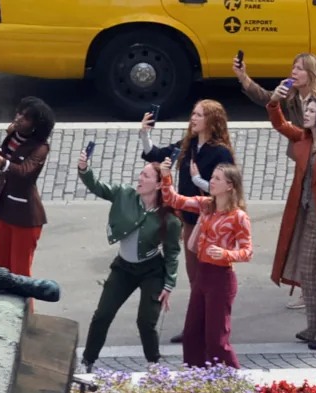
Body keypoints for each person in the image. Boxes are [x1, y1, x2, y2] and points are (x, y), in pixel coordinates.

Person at [234, 53, 316, 310]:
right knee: (301, 234)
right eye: (293, 67)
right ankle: (307, 288)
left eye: (298, 69)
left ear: (311, 73)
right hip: (304, 169)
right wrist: (244, 78)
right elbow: (269, 102)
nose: (293, 72)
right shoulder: (290, 96)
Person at [140, 99, 235, 345]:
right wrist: (145, 134)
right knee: (196, 277)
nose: (193, 119)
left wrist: (199, 180)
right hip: (191, 221)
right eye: (193, 114)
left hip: (213, 223)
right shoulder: (189, 145)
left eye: (199, 115)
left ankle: (210, 328)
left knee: (212, 277)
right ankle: (197, 326)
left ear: (211, 121)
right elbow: (156, 155)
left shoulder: (220, 152)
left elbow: (227, 189)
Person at [76, 153, 182, 372]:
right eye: (140, 174)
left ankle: (153, 364)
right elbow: (97, 187)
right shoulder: (125, 194)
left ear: (159, 183)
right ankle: (88, 361)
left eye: (146, 176)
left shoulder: (169, 219)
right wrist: (84, 169)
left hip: (152, 270)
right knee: (102, 315)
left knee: (146, 321)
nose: (140, 178)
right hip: (123, 268)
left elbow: (172, 253)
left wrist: (168, 284)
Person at [159, 160, 252, 369]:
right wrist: (166, 176)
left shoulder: (239, 217)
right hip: (203, 275)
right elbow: (172, 199)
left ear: (230, 186)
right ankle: (196, 380)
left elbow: (248, 252)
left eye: (217, 179)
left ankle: (234, 382)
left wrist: (225, 253)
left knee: (216, 340)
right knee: (192, 334)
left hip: (222, 279)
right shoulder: (205, 205)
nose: (211, 181)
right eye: (211, 178)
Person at [267, 88, 316, 349]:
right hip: (307, 214)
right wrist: (274, 101)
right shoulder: (304, 140)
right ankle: (315, 325)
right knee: (308, 272)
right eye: (305, 110)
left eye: (310, 111)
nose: (305, 114)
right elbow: (280, 124)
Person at [0, 97, 56, 283]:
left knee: (20, 274)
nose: (19, 117)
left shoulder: (40, 148)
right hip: (6, 210)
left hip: (25, 217)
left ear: (36, 125)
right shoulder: (13, 136)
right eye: (20, 113)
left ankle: (26, 311)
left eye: (26, 117)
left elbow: (22, 172)